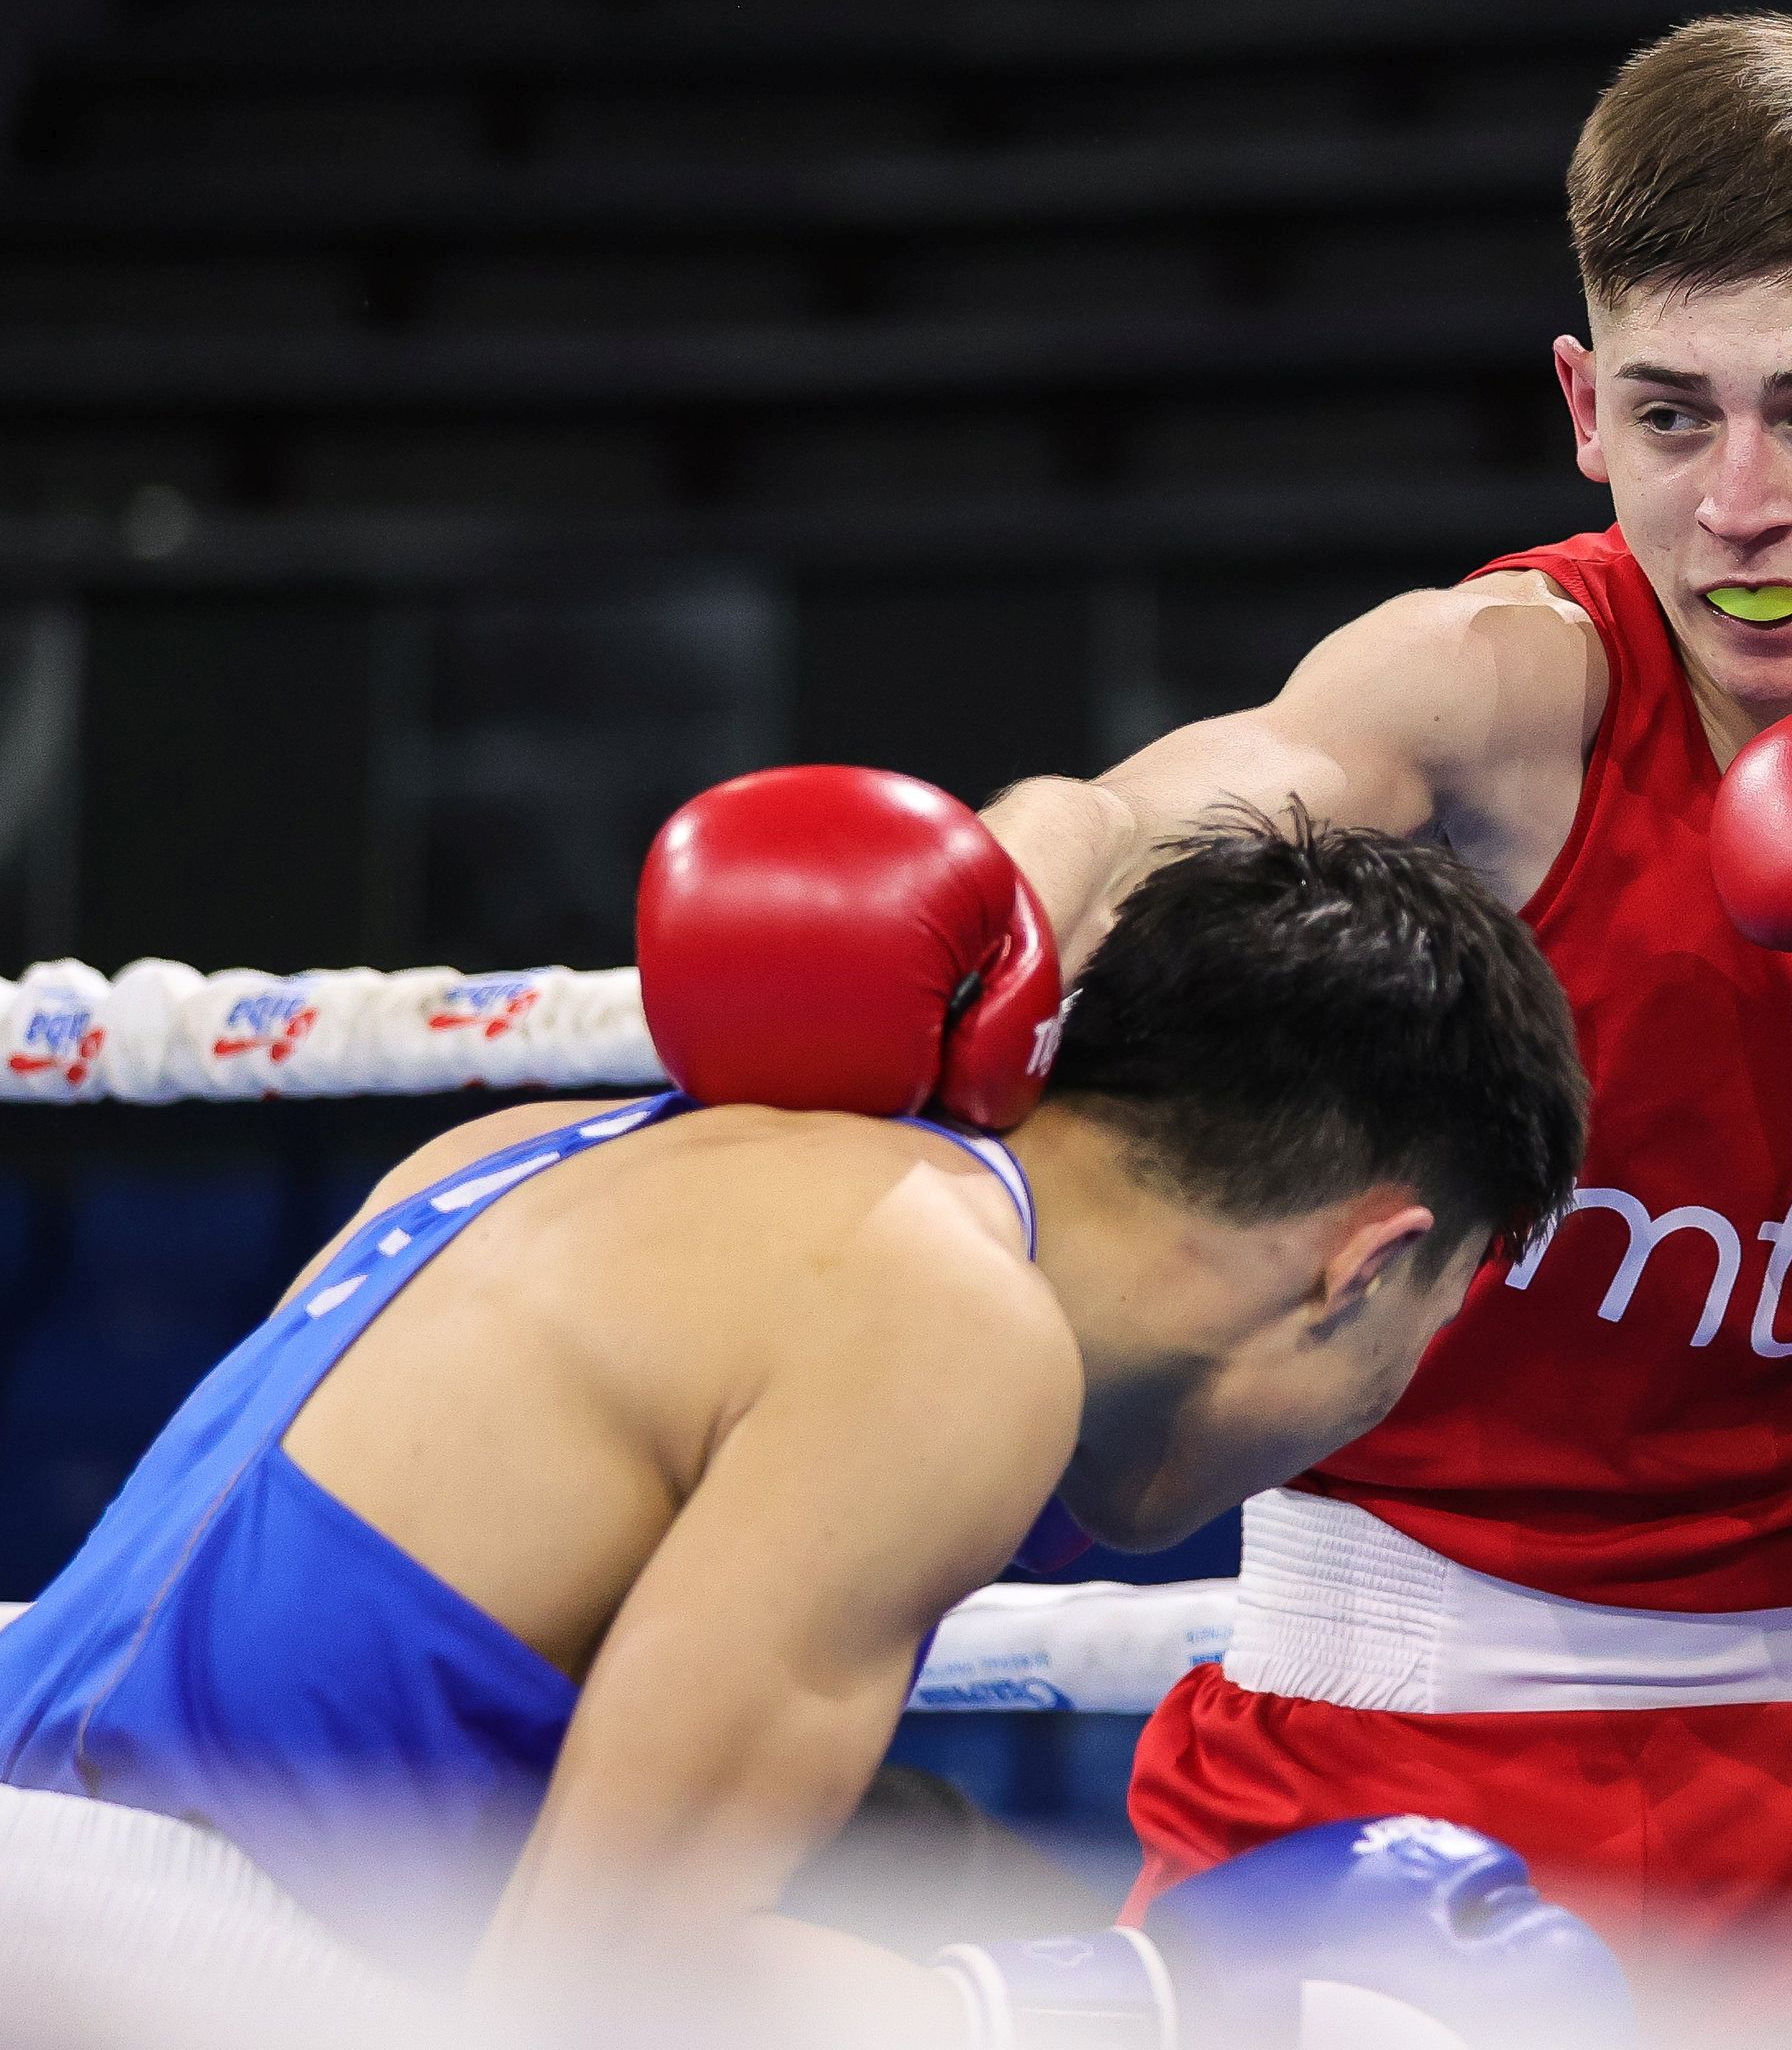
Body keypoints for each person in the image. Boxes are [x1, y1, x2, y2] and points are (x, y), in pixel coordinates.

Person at [984, 13, 1792, 2019]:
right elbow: (1158, 815)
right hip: (1377, 1767)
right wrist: (988, 897)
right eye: (1674, 418)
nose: (1739, 508)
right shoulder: (1494, 698)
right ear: (1581, 406)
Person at [0, 766, 1604, 2050]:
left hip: (110, 1915)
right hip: (177, 1964)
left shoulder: (551, 1147)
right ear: (1368, 1263)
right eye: (1429, 1328)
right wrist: (1157, 1995)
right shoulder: (953, 1328)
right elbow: (598, 2000)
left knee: (913, 1863)